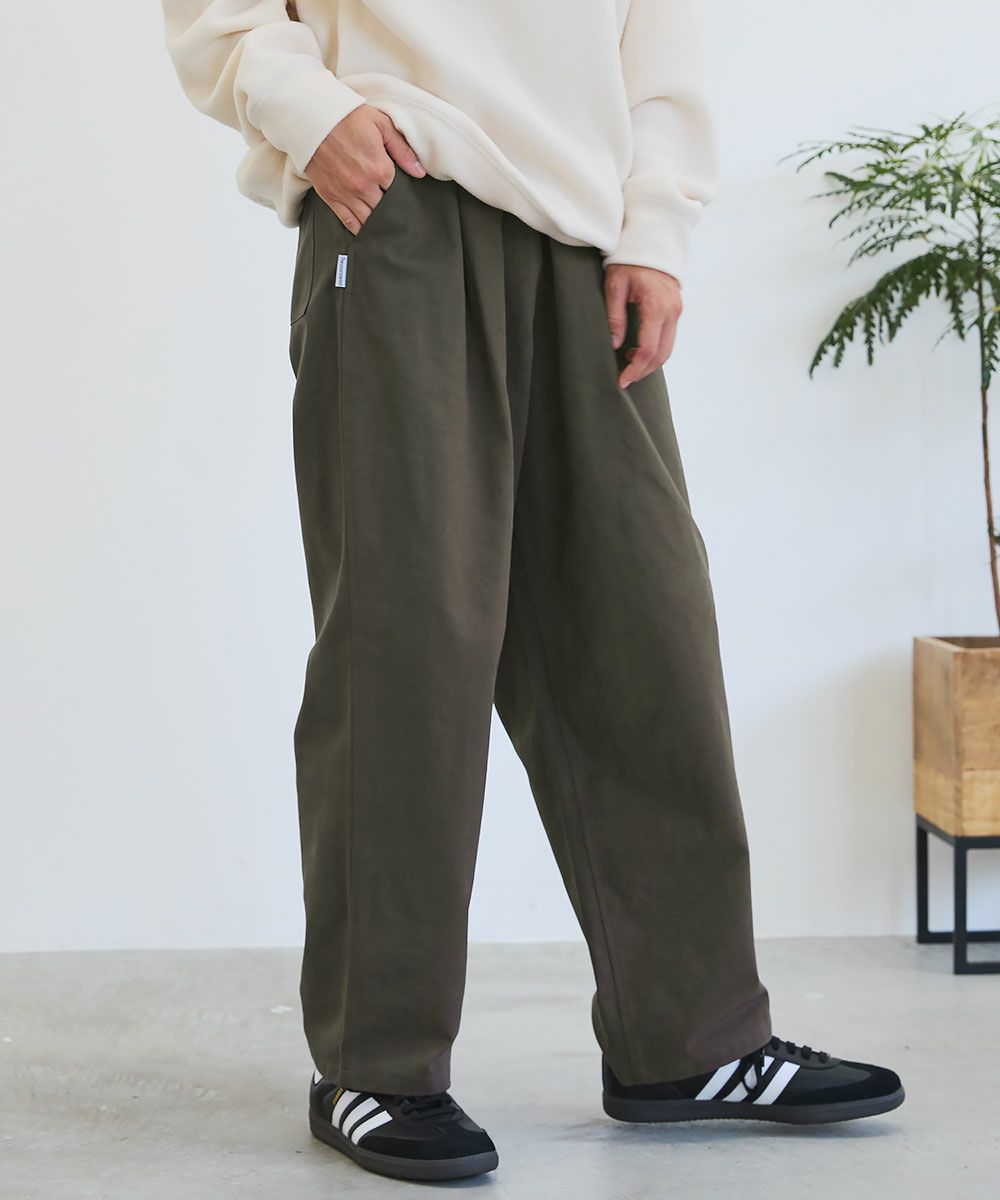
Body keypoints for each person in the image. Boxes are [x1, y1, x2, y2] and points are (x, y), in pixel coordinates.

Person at [161, 0, 904, 1183]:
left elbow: (653, 33)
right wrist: (312, 112)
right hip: (401, 208)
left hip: (584, 238)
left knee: (645, 630)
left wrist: (654, 226)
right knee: (408, 649)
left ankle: (690, 1045)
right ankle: (375, 1064)